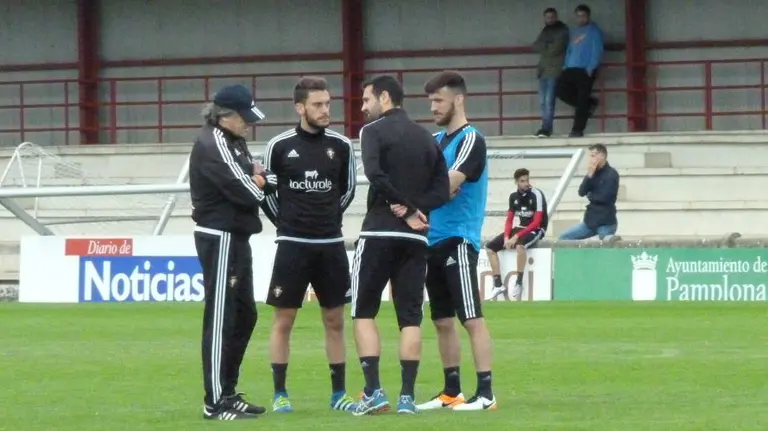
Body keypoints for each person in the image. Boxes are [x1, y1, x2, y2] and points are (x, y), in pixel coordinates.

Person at [349, 75, 450, 416]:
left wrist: (404, 207)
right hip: (415, 239)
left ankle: (374, 392)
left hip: (379, 232)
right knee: (410, 318)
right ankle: (407, 397)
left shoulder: (373, 132)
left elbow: (375, 175)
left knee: (363, 312)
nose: (363, 108)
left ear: (385, 97)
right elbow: (443, 189)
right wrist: (419, 209)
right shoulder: (427, 138)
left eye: (366, 100)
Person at [260, 76, 358, 413]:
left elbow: (347, 191)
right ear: (300, 107)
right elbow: (267, 194)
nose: (325, 110)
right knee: (284, 319)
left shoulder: (342, 146)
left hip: (330, 244)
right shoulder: (279, 146)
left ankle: (339, 394)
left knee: (334, 320)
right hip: (292, 245)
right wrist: (288, 224)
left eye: (328, 103)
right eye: (318, 104)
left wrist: (326, 218)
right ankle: (279, 393)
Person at [188, 84, 277, 421]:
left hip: (237, 236)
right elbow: (249, 191)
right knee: (221, 317)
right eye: (244, 118)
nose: (249, 124)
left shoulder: (232, 141)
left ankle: (228, 390)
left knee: (245, 315)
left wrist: (257, 180)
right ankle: (215, 402)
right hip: (220, 236)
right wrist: (257, 182)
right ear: (227, 116)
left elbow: (257, 179)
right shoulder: (214, 144)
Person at [413, 71, 497, 412]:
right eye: (431, 101)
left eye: (439, 101)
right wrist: (437, 188)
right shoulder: (435, 140)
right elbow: (432, 184)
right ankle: (451, 391)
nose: (433, 107)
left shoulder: (471, 139)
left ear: (458, 100)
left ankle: (487, 393)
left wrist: (437, 188)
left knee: (471, 317)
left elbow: (449, 182)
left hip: (458, 239)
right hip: (431, 240)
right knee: (442, 320)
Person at [485, 168, 548, 300]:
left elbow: (537, 222)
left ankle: (519, 282)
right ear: (516, 182)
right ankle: (498, 285)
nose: (526, 183)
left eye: (527, 180)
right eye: (522, 181)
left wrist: (516, 236)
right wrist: (507, 236)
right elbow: (509, 220)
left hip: (537, 229)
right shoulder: (513, 197)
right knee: (490, 248)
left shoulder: (537, 195)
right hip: (521, 228)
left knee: (520, 247)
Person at [555, 4, 604, 138]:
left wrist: (591, 67)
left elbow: (597, 50)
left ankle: (577, 130)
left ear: (588, 16)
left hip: (585, 70)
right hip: (570, 68)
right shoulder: (575, 31)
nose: (580, 18)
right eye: (578, 16)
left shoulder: (594, 31)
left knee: (582, 99)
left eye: (583, 16)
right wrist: (565, 66)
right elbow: (570, 50)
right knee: (559, 90)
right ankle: (589, 104)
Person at [559, 143, 619, 240]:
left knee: (606, 243)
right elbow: (581, 192)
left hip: (605, 221)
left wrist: (590, 195)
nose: (591, 159)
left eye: (593, 155)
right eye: (590, 156)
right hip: (590, 221)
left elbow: (605, 197)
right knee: (563, 238)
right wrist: (589, 176)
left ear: (602, 155)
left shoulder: (611, 174)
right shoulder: (592, 172)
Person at [532, 7, 569, 138]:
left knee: (548, 101)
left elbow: (555, 49)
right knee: (543, 102)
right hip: (543, 71)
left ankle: (547, 128)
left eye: (552, 17)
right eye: (547, 17)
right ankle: (545, 127)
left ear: (556, 17)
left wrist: (545, 46)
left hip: (555, 70)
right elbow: (536, 45)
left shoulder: (563, 30)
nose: (549, 20)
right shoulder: (546, 30)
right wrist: (546, 45)